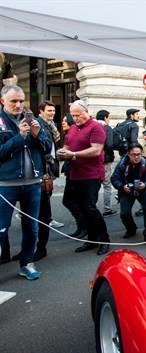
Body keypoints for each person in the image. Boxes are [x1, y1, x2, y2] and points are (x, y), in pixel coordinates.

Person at [0, 85, 51, 280]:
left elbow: (47, 148)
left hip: (32, 183)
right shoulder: (1, 122)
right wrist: (19, 137)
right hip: (6, 184)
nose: (18, 105)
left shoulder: (33, 120)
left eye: (21, 101)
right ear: (3, 101)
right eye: (14, 101)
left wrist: (37, 135)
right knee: (2, 228)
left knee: (31, 226)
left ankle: (27, 263)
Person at [58, 100, 110, 256]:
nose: (75, 118)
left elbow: (96, 150)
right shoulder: (72, 129)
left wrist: (73, 154)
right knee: (82, 208)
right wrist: (61, 153)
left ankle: (104, 239)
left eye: (78, 115)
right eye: (73, 115)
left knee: (90, 207)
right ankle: (92, 239)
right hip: (75, 174)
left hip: (92, 174)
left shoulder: (96, 127)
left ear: (86, 111)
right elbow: (67, 147)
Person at [111, 142, 146, 251]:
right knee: (124, 213)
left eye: (138, 154)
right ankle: (131, 229)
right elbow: (114, 179)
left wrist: (145, 185)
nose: (136, 157)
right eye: (134, 154)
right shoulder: (122, 164)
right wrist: (122, 186)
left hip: (143, 190)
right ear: (128, 154)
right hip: (127, 190)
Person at [30, 100, 62, 262]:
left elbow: (49, 145)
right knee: (39, 211)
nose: (52, 113)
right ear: (41, 111)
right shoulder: (39, 125)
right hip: (40, 171)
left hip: (45, 170)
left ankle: (41, 247)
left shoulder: (47, 125)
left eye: (53, 111)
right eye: (49, 111)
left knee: (43, 208)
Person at [61, 114, 87, 240]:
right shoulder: (68, 135)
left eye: (65, 121)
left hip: (76, 172)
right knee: (69, 200)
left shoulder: (74, 134)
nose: (63, 123)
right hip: (70, 171)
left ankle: (83, 226)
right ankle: (81, 226)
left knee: (71, 200)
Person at [96, 109, 117, 217]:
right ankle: (107, 209)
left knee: (95, 184)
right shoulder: (106, 128)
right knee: (107, 185)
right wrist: (111, 155)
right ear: (105, 117)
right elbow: (109, 144)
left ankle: (91, 207)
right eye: (108, 117)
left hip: (93, 158)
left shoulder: (93, 126)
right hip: (105, 159)